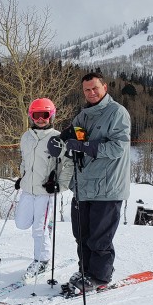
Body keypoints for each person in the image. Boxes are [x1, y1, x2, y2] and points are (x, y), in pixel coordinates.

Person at [47, 72, 131, 292]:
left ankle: (100, 277)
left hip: (107, 186)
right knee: (82, 235)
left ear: (105, 87)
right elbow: (74, 130)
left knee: (99, 239)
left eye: (95, 88)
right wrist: (59, 140)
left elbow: (118, 147)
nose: (91, 93)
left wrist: (85, 147)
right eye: (87, 90)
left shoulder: (117, 113)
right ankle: (85, 271)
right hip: (84, 185)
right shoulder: (85, 115)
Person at [14, 98, 73, 279]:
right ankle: (44, 228)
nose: (40, 119)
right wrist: (22, 177)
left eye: (45, 115)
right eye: (36, 115)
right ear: (31, 116)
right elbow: (25, 161)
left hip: (45, 193)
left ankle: (42, 260)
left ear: (51, 116)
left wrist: (59, 185)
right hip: (27, 190)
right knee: (21, 223)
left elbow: (68, 164)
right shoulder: (26, 137)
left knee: (38, 229)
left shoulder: (57, 138)